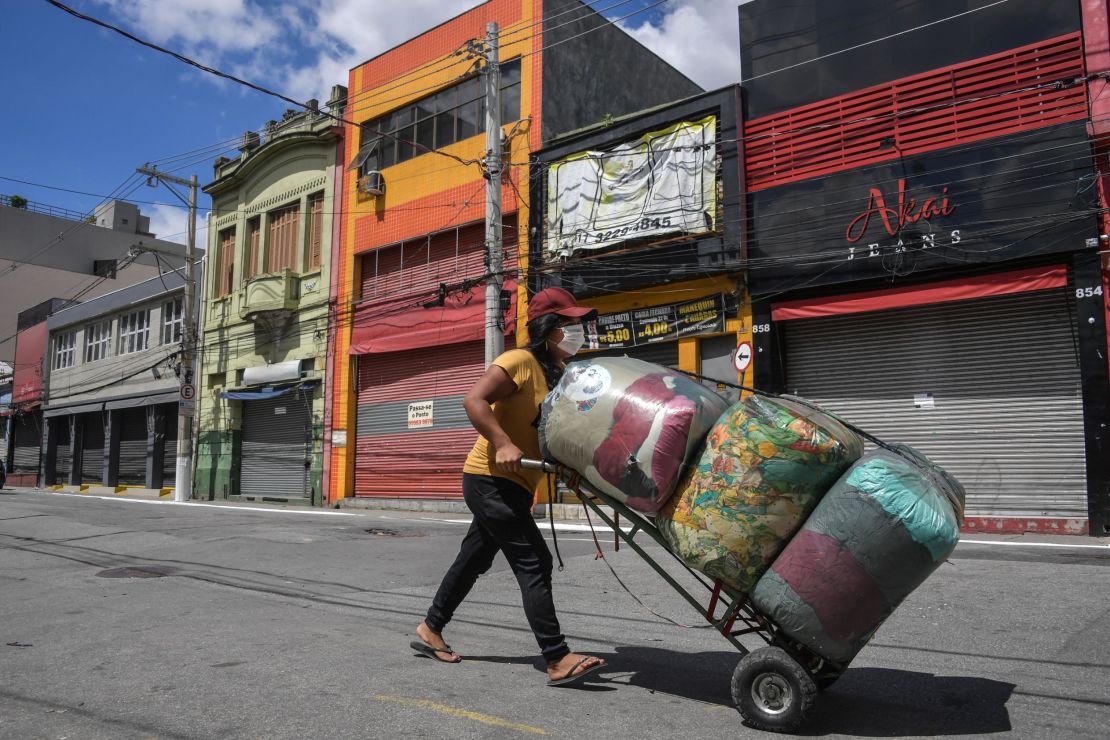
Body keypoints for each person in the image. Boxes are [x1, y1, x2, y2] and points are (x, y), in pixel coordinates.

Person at [411, 287, 607, 687]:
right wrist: (502, 442)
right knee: (534, 561)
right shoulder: (519, 361)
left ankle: (431, 627)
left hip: (516, 485)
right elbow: (474, 400)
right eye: (570, 323)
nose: (578, 330)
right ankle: (556, 658)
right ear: (550, 329)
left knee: (474, 558)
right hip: (489, 480)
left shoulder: (561, 375)